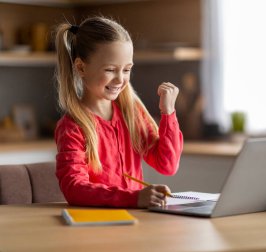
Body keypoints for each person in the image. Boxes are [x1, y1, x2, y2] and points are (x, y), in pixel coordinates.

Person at [54, 16, 183, 208]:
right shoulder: (72, 127)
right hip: (96, 229)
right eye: (110, 69)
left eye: (126, 69)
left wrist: (168, 112)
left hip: (135, 224)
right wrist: (135, 198)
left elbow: (168, 165)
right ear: (81, 67)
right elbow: (74, 188)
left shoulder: (132, 114)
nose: (120, 80)